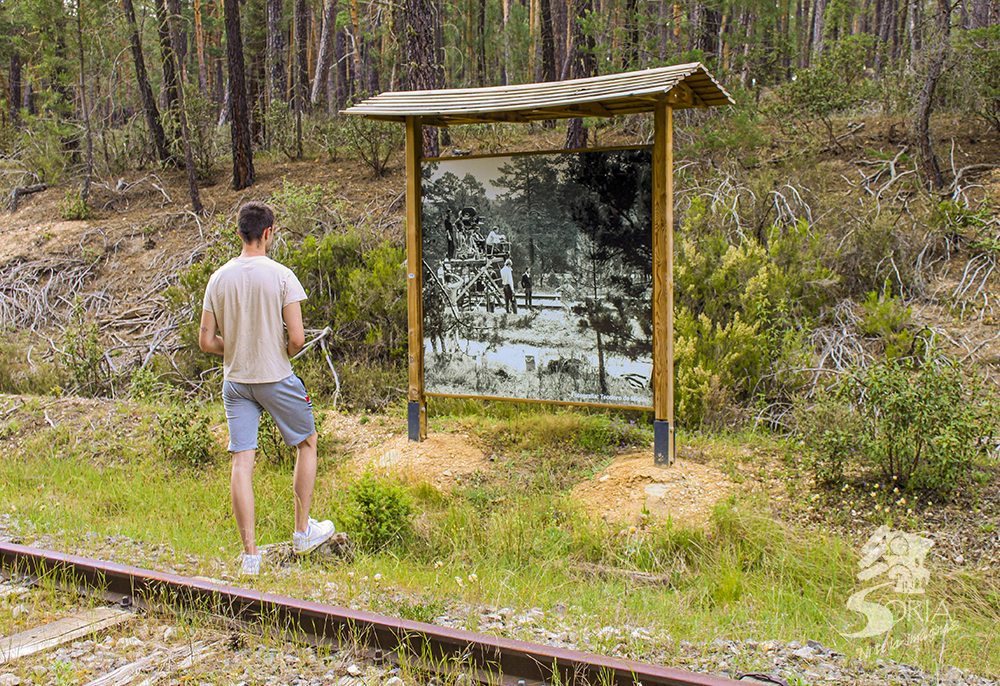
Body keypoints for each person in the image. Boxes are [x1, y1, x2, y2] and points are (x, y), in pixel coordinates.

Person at [199, 202, 337, 576]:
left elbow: (207, 341)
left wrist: (240, 346)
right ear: (268, 232)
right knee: (307, 443)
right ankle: (302, 531)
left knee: (242, 463)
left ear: (240, 232)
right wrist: (273, 349)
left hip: (236, 381)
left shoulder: (218, 278)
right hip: (274, 376)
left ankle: (250, 557)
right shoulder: (281, 276)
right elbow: (296, 339)